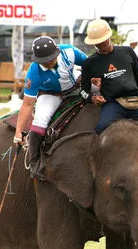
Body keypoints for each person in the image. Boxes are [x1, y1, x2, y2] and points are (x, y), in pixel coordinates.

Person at [14, 36, 87, 178]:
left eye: (51, 58)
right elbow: (28, 103)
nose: (48, 62)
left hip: (75, 87)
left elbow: (91, 64)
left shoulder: (70, 52)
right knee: (40, 119)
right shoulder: (33, 73)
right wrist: (18, 132)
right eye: (44, 61)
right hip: (51, 94)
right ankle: (34, 162)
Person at [80, 19, 138, 134]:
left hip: (134, 101)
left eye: (103, 40)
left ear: (109, 36)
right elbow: (84, 90)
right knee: (102, 128)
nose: (101, 44)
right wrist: (93, 97)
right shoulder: (89, 63)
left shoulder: (128, 52)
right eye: (97, 42)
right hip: (112, 104)